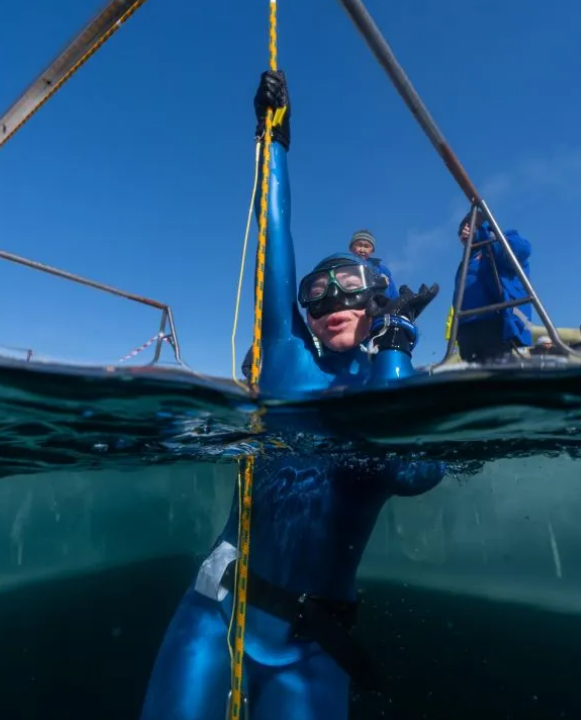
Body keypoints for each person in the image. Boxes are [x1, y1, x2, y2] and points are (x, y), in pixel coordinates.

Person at [139, 70, 446, 720]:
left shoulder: (398, 381)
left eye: (350, 288)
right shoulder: (284, 357)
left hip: (315, 641)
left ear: (378, 299)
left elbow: (412, 470)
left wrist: (395, 346)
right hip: (217, 608)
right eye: (317, 292)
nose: (331, 301)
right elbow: (274, 239)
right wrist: (272, 139)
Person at [447, 212, 534, 364]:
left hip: (497, 323)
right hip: (468, 328)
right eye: (460, 230)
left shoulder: (497, 244)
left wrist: (484, 232)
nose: (463, 232)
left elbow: (522, 250)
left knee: (500, 377)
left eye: (468, 226)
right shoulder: (467, 261)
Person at [347, 229, 396, 299]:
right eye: (359, 245)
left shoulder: (382, 269)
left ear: (372, 251)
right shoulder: (343, 267)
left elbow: (393, 294)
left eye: (366, 246)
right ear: (351, 248)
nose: (362, 250)